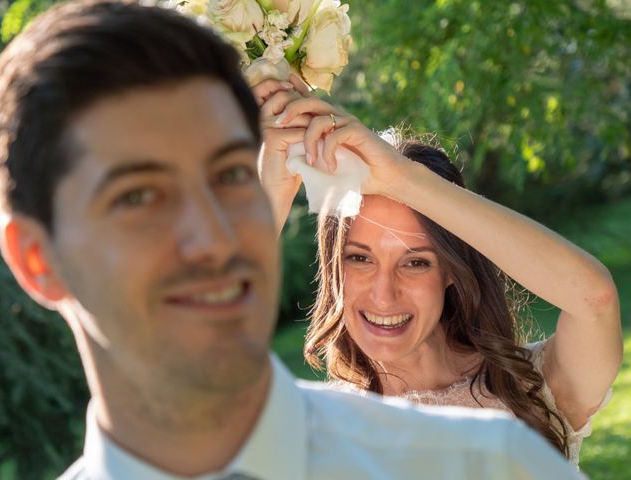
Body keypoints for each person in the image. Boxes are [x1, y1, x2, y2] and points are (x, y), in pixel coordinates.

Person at [0, 1, 585, 479]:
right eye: (139, 198)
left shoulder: (489, 465)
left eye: (229, 178)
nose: (217, 236)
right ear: (38, 260)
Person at [255, 81, 623, 467]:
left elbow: (593, 300)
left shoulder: (535, 389)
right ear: (334, 268)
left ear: (450, 268)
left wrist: (401, 178)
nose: (384, 294)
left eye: (416, 262)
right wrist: (271, 192)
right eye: (359, 259)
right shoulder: (316, 429)